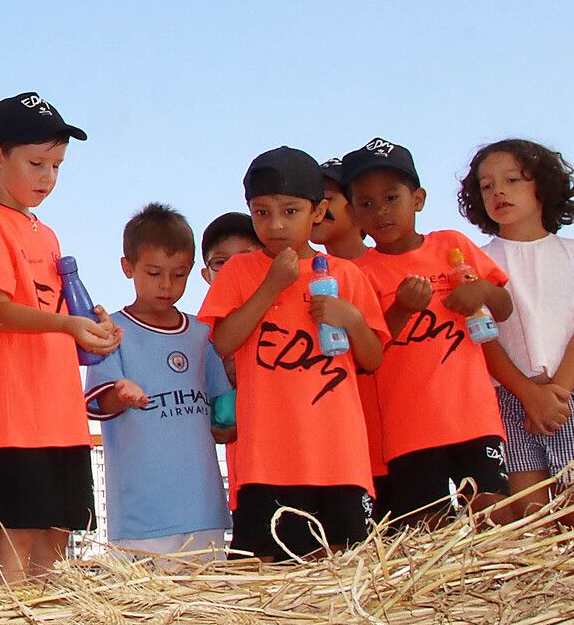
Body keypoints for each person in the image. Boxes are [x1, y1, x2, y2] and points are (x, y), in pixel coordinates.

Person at [0, 92, 120, 584]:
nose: (48, 177)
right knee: (18, 532)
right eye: (36, 163)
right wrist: (67, 325)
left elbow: (53, 312)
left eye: (56, 166)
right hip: (15, 415)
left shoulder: (45, 233)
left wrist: (89, 326)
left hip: (61, 413)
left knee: (57, 533)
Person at [197, 147, 386, 561]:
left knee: (341, 561)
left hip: (338, 454)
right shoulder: (239, 272)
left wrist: (352, 319)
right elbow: (224, 341)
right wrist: (270, 287)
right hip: (267, 457)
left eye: (289, 211)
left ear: (317, 212)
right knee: (261, 566)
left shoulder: (345, 273)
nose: (275, 224)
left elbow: (373, 359)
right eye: (262, 213)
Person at [344, 138, 514, 528]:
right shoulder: (359, 274)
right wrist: (401, 308)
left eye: (391, 198)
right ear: (353, 213)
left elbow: (503, 308)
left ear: (417, 199)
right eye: (366, 204)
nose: (381, 211)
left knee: (494, 513)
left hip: (472, 416)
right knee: (427, 530)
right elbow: (368, 354)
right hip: (407, 429)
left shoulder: (451, 245)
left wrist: (482, 291)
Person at [457, 139, 574, 559]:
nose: (498, 193)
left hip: (572, 395)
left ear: (542, 186)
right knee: (528, 511)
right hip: (507, 395)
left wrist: (555, 392)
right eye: (486, 186)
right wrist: (528, 393)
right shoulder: (477, 262)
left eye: (512, 181)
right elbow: (483, 336)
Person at [85, 204, 232, 563]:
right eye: (154, 273)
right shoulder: (113, 331)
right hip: (142, 519)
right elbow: (98, 403)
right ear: (128, 267)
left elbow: (223, 421)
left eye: (179, 274)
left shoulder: (203, 334)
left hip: (203, 512)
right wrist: (121, 395)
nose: (166, 286)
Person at [312, 156, 389, 522]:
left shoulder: (388, 268)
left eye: (327, 199)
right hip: (338, 452)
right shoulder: (297, 278)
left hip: (399, 441)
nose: (318, 210)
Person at [197, 211, 260, 550]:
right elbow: (223, 428)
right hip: (248, 479)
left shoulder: (286, 311)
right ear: (206, 274)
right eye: (221, 263)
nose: (234, 269)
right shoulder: (203, 335)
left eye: (246, 258)